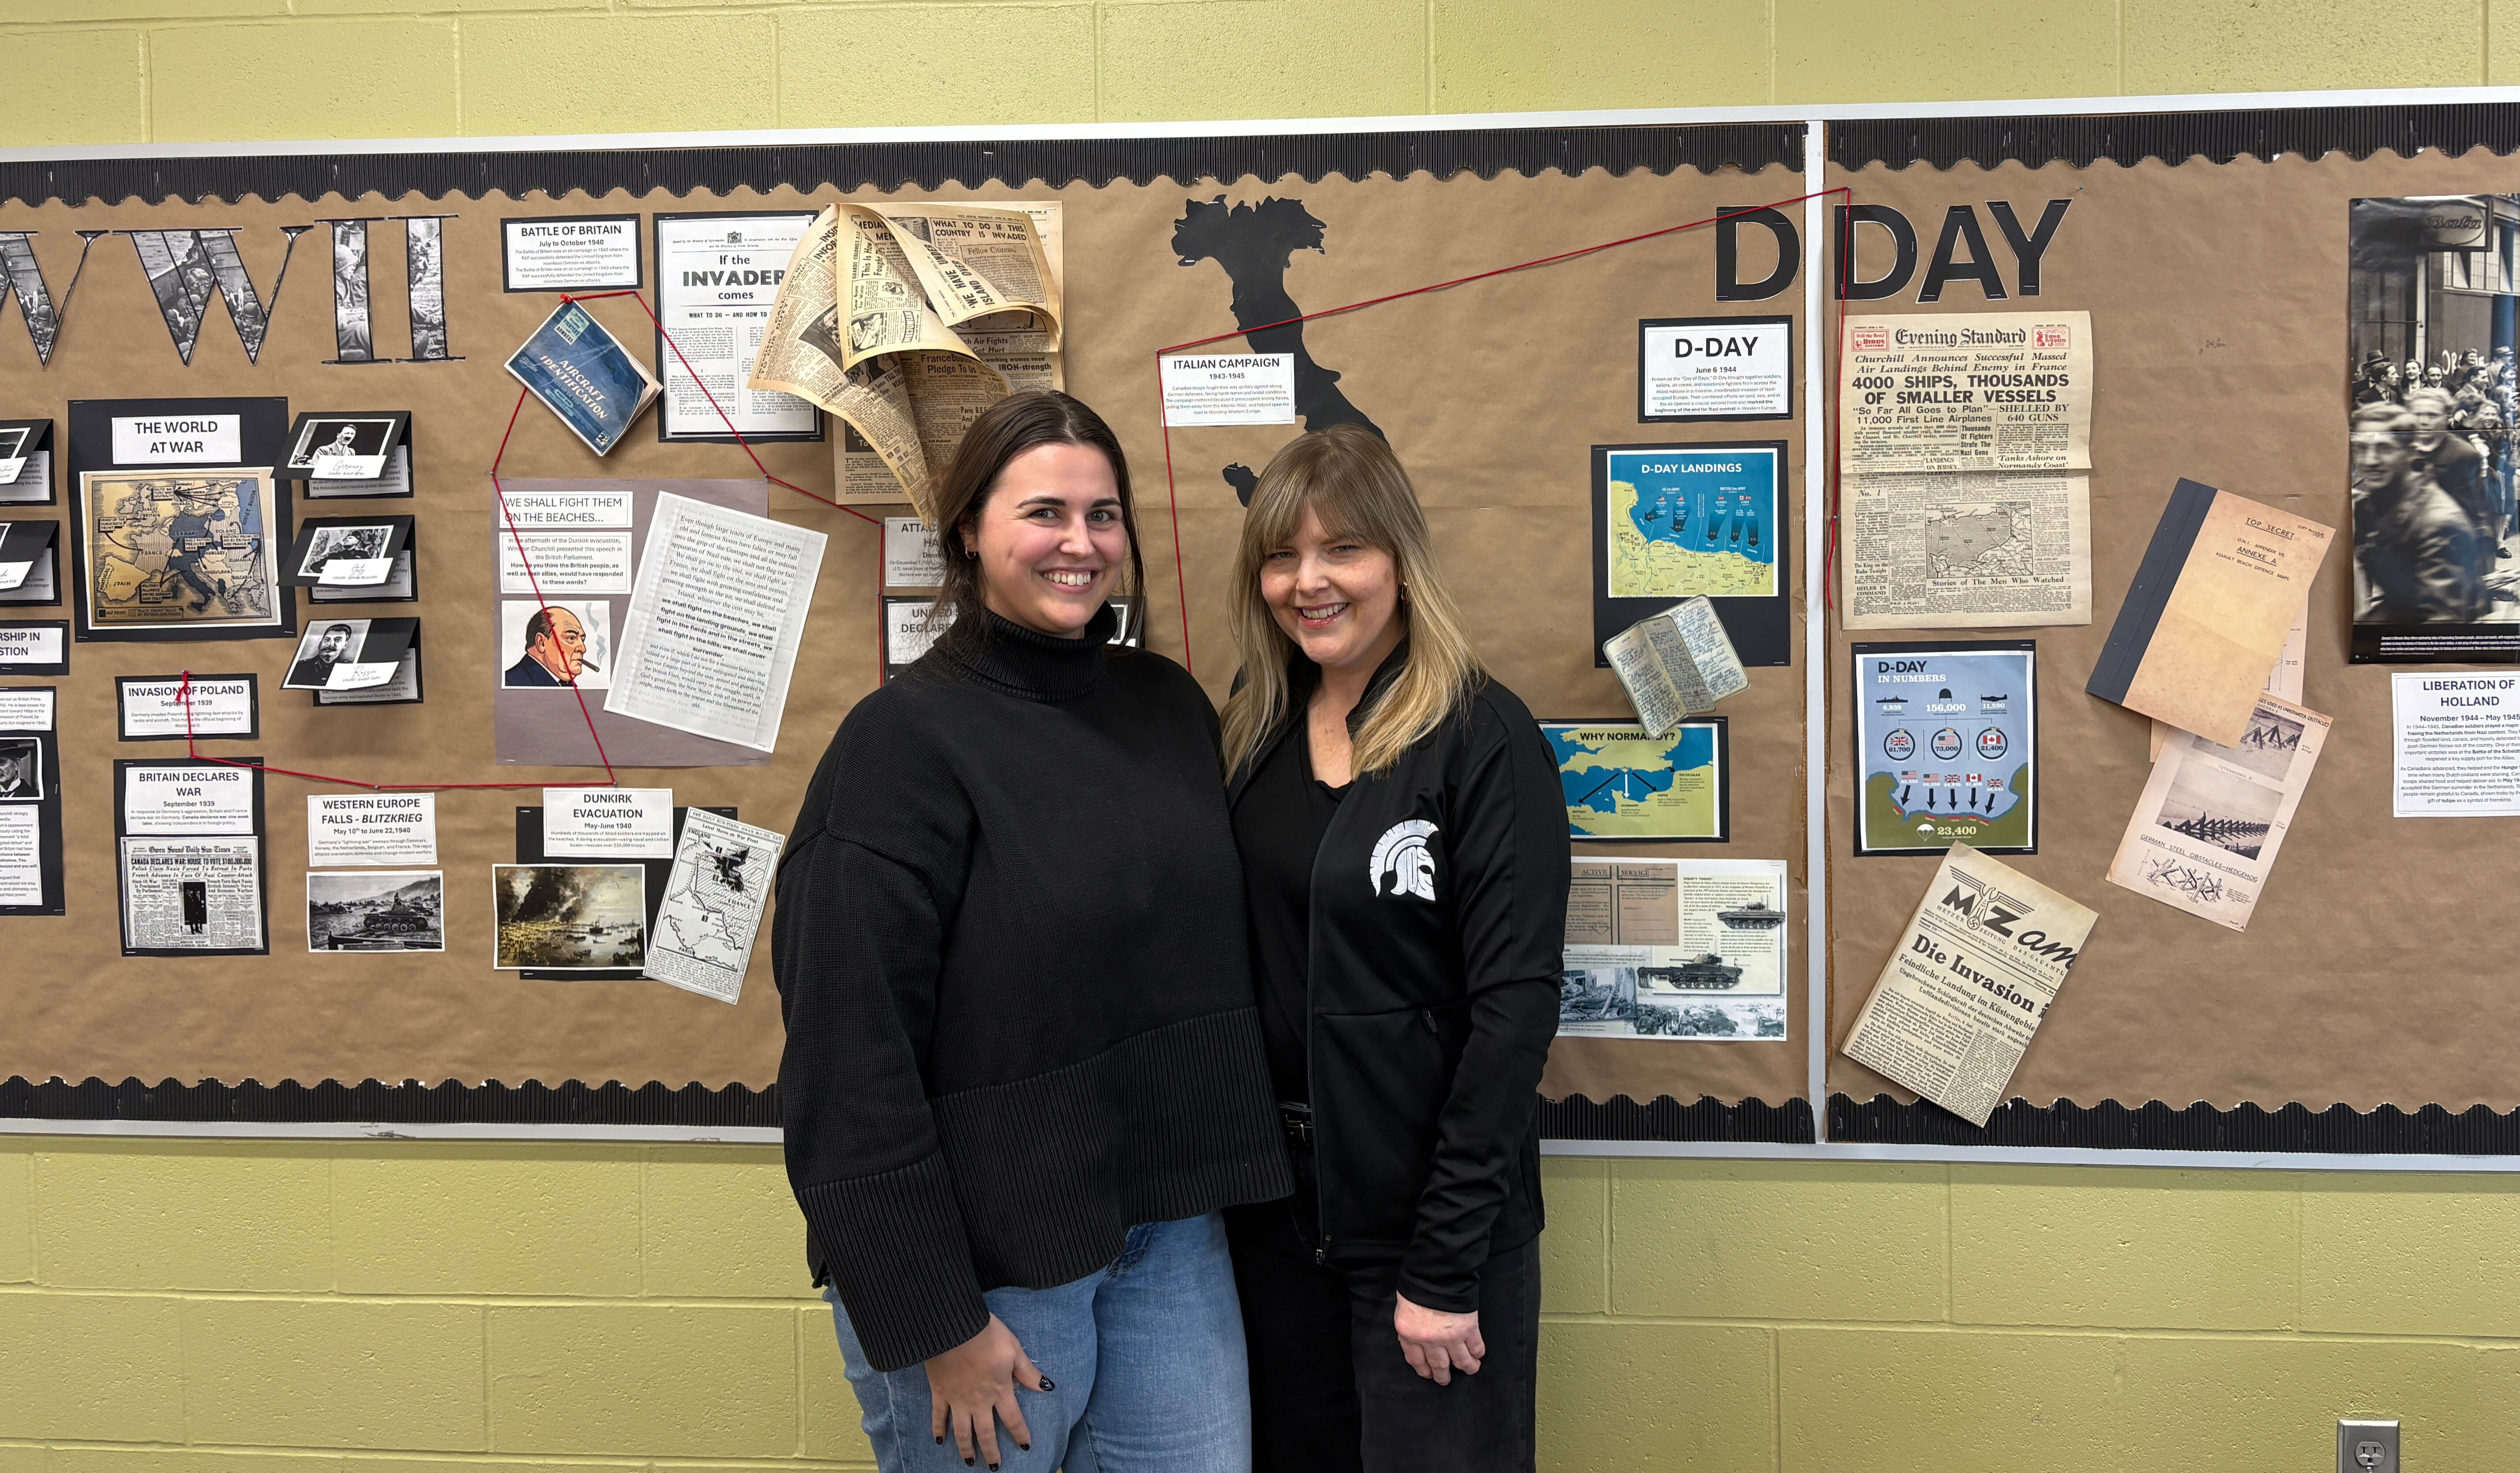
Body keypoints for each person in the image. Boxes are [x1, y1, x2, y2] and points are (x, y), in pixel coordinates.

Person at [772, 391, 1289, 1473]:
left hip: (1165, 1224)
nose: (1081, 543)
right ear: (968, 528)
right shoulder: (898, 751)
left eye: (1104, 516)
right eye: (1044, 511)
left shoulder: (1166, 707)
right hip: (986, 1263)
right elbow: (845, 1062)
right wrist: (938, 1324)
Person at [1216, 424, 1567, 1473]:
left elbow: (1514, 1012)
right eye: (1283, 556)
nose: (1309, 581)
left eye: (1344, 551)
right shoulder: (1253, 728)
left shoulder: (1480, 737)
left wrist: (1445, 1264)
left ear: (1401, 562)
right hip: (1279, 1233)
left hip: (1428, 1237)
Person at [2353, 402, 2487, 623]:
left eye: (2385, 449)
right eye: (2361, 448)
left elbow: (2440, 628)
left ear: (2410, 452)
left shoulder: (2439, 525)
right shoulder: (2377, 500)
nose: (2370, 461)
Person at [504, 606, 588, 687]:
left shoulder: (566, 685)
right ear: (541, 643)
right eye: (571, 638)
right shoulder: (512, 682)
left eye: (582, 639)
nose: (583, 649)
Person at [288, 623, 357, 688]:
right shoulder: (299, 668)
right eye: (327, 640)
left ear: (345, 645)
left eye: (338, 640)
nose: (330, 644)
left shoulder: (350, 669)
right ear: (320, 644)